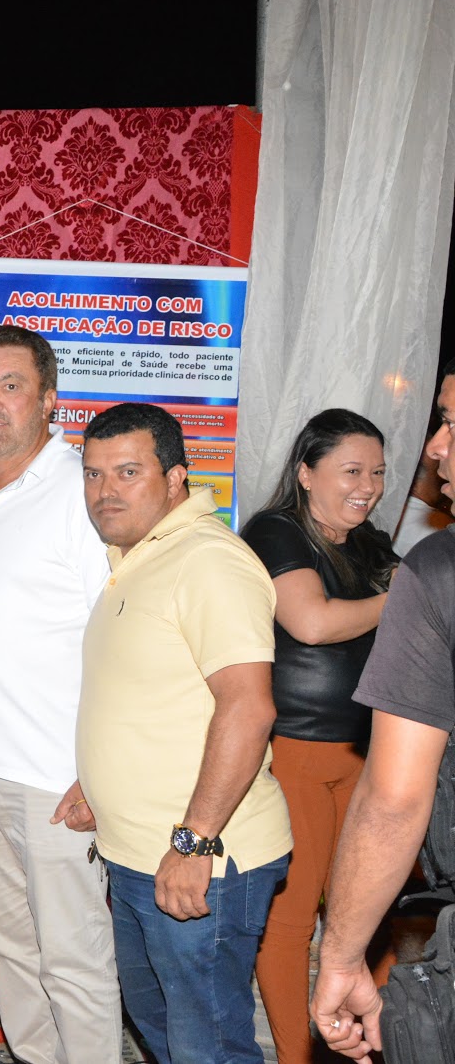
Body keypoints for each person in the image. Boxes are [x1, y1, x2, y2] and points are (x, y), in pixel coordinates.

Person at [77, 401, 292, 1064]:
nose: (106, 490)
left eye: (128, 471)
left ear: (176, 478)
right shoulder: (137, 558)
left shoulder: (208, 561)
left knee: (208, 1045)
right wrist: (95, 781)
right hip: (137, 853)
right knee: (161, 1026)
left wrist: (194, 841)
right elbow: (149, 696)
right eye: (93, 473)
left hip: (202, 859)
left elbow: (248, 708)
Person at [0, 324, 121, 1064]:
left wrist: (98, 772)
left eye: (11, 387)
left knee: (74, 957)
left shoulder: (80, 490)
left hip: (55, 776)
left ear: (48, 399)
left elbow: (119, 637)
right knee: (11, 950)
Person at [240, 409, 398, 1064]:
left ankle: (368, 1048)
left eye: (378, 473)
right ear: (306, 472)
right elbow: (310, 622)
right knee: (293, 916)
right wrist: (404, 599)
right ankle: (295, 1056)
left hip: (371, 753)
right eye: (352, 470)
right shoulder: (275, 530)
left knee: (369, 909)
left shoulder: (371, 544)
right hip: (295, 752)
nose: (369, 486)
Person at [313, 362, 455, 1060]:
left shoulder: (435, 569)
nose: (434, 446)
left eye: (452, 423)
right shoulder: (278, 537)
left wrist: (341, 958)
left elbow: (396, 797)